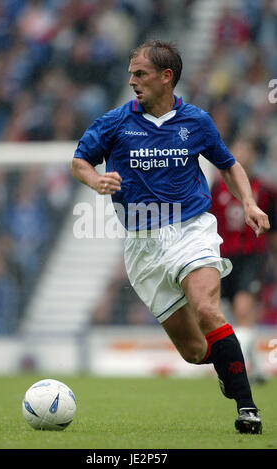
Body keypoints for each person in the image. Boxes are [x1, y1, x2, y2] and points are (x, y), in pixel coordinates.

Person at [71, 40, 270, 434]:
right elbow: (79, 161)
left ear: (167, 77)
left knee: (208, 309)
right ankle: (224, 365)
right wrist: (96, 179)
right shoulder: (114, 123)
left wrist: (247, 202)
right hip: (143, 245)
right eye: (130, 74)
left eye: (139, 74)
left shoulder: (196, 121)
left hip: (192, 230)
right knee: (196, 351)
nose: (132, 81)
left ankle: (247, 408)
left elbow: (228, 166)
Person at [211, 138, 277, 382]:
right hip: (222, 258)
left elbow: (274, 231)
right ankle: (257, 369)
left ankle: (232, 370)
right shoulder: (217, 187)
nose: (240, 153)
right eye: (235, 150)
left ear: (252, 155)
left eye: (245, 149)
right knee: (232, 317)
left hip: (251, 256)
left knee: (242, 310)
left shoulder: (266, 189)